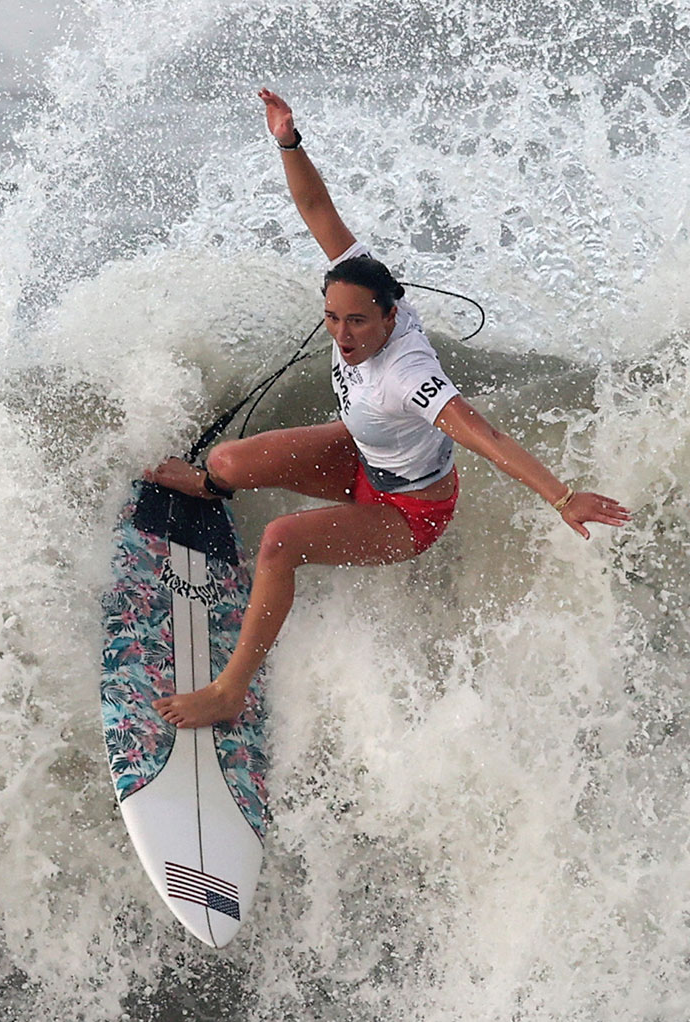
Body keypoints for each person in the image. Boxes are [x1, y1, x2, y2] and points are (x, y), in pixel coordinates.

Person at [148, 88, 632, 728]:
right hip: (362, 456)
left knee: (280, 542)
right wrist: (288, 142)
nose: (342, 335)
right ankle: (210, 486)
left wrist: (562, 496)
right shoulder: (358, 286)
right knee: (226, 461)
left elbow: (486, 437)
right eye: (332, 318)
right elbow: (316, 208)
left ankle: (229, 690)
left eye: (356, 322)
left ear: (390, 315)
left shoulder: (409, 376)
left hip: (408, 512)